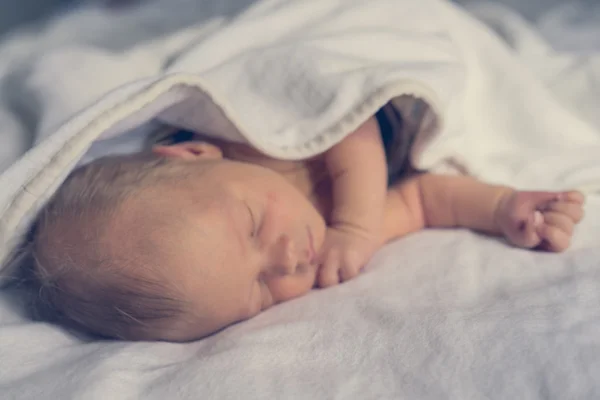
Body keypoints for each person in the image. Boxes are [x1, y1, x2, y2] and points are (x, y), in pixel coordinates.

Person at [29, 104, 585, 342]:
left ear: (196, 152)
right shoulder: (330, 250)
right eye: (261, 291)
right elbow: (418, 202)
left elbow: (350, 122)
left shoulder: (252, 140)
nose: (286, 258)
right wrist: (500, 208)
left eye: (250, 225)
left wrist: (357, 227)